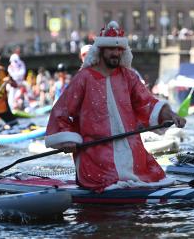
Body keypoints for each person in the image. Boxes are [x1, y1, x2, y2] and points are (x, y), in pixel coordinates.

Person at [45, 21, 186, 192]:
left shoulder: (129, 77)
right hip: (96, 156)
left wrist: (171, 114)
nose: (116, 53)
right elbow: (62, 111)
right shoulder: (84, 78)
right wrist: (67, 140)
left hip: (132, 154)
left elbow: (148, 102)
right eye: (111, 49)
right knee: (110, 181)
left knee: (156, 177)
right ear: (101, 50)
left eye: (119, 50)